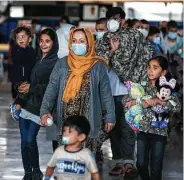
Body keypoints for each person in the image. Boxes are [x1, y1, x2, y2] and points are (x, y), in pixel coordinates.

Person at [40, 27, 116, 160]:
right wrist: (44, 110)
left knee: (84, 160)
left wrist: (110, 116)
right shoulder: (62, 63)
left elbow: (106, 93)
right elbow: (52, 88)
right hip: (65, 122)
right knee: (66, 159)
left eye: (81, 41)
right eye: (74, 40)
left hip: (89, 121)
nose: (77, 44)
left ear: (89, 44)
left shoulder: (97, 66)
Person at [96, 7, 153, 178]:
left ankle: (129, 163)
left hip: (129, 89)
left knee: (128, 127)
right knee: (112, 127)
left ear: (122, 19)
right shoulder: (103, 39)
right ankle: (118, 162)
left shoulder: (135, 36)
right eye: (108, 18)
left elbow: (144, 59)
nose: (111, 21)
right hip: (109, 91)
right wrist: (112, 51)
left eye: (114, 18)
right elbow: (98, 63)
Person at [123, 56, 181, 180]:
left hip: (159, 132)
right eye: (149, 67)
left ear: (163, 72)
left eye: (155, 68)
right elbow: (126, 100)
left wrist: (159, 101)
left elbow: (177, 107)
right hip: (142, 131)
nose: (150, 71)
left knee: (156, 167)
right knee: (141, 164)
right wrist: (138, 102)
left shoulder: (167, 87)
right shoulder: (142, 83)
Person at [17, 28, 59, 180]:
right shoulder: (37, 59)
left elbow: (52, 87)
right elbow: (27, 79)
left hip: (40, 108)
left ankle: (36, 170)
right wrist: (20, 91)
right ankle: (28, 172)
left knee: (29, 139)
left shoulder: (56, 63)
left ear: (54, 43)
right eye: (41, 41)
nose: (43, 44)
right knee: (23, 142)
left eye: (47, 41)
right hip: (26, 105)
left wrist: (31, 87)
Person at [44, 115, 100, 180]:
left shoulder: (86, 154)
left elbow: (95, 173)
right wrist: (46, 178)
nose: (65, 134)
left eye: (69, 132)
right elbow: (50, 167)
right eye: (64, 131)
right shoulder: (58, 151)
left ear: (81, 137)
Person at [9, 26, 36, 120]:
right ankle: (16, 107)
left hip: (28, 76)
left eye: (23, 36)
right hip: (18, 77)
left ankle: (18, 106)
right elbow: (17, 58)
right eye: (18, 37)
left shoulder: (32, 51)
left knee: (27, 92)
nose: (20, 39)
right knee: (24, 91)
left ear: (30, 38)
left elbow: (33, 63)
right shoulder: (16, 49)